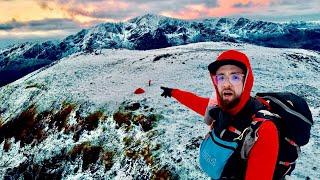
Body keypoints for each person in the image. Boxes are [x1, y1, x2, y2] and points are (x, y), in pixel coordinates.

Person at [160, 50, 279, 180]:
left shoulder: (264, 130)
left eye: (235, 77)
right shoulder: (220, 111)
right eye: (221, 77)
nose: (226, 84)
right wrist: (173, 92)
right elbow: (196, 102)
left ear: (247, 81)